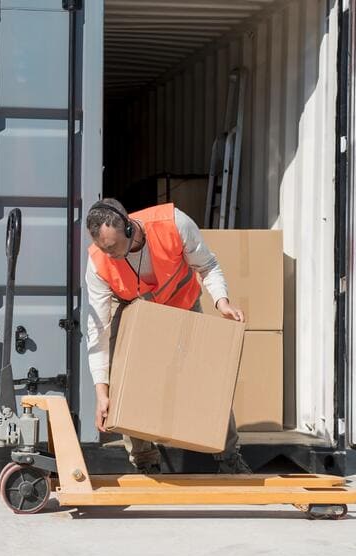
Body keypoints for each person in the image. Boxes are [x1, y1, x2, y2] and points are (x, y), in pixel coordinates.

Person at [85, 198, 252, 474]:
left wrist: (222, 301)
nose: (109, 255)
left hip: (182, 303)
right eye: (103, 249)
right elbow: (97, 331)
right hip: (133, 308)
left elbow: (207, 265)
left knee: (207, 378)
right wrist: (101, 391)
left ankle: (228, 456)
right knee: (128, 378)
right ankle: (145, 460)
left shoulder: (174, 224)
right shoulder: (98, 261)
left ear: (128, 229)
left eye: (113, 247)